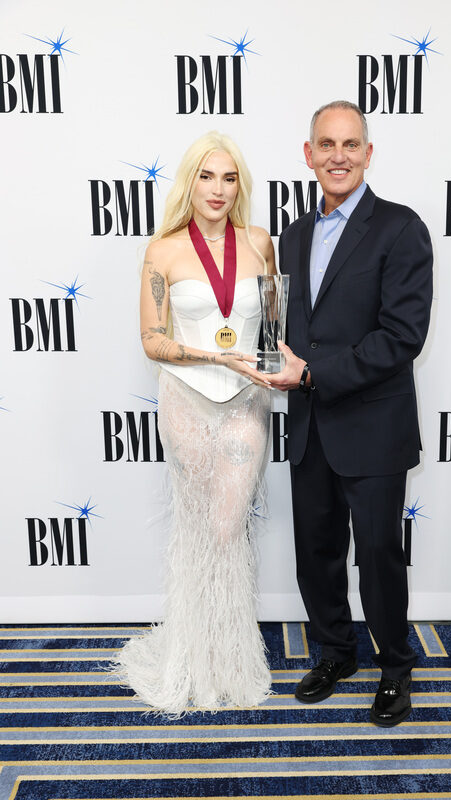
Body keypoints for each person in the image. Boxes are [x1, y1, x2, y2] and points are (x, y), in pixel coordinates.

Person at [269, 101, 433, 727]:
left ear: (369, 153)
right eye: (326, 144)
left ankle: (395, 668)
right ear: (307, 154)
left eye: (351, 144)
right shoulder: (294, 234)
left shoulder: (400, 228)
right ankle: (335, 653)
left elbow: (401, 337)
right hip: (310, 425)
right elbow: (291, 329)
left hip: (373, 427)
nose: (339, 156)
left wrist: (313, 373)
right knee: (316, 551)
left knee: (379, 555)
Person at [113, 131, 276, 716]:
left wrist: (273, 366)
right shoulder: (163, 251)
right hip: (185, 397)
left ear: (240, 186)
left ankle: (229, 658)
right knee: (197, 529)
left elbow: (274, 332)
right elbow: (153, 341)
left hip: (245, 400)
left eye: (229, 178)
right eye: (207, 176)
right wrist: (213, 356)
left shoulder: (260, 243)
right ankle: (191, 658)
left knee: (230, 528)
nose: (218, 189)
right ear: (190, 181)